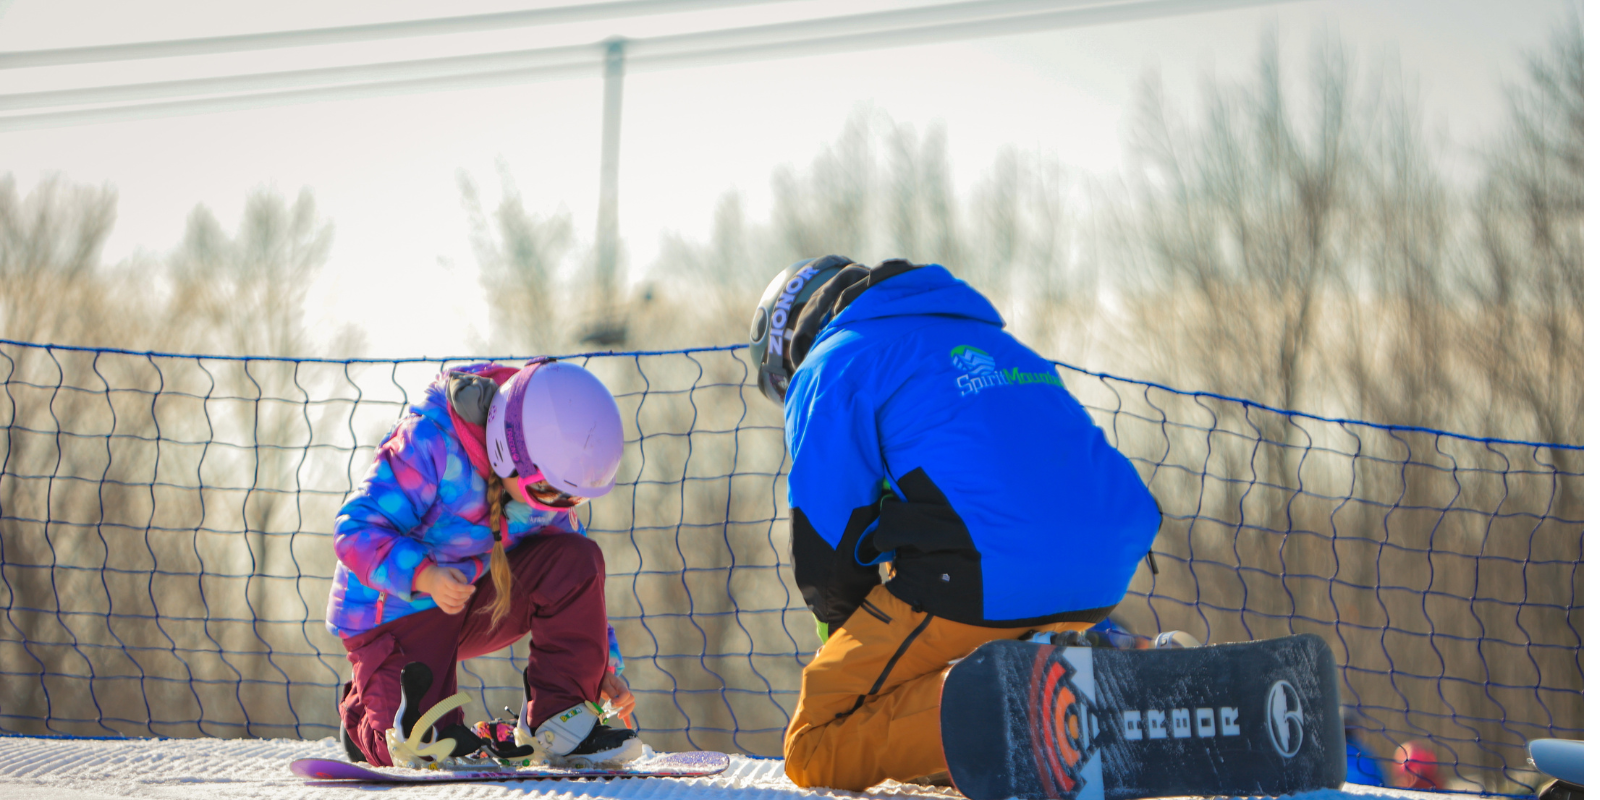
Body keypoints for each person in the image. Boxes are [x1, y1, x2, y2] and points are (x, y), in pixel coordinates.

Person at [747, 256, 1163, 790]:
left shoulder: (834, 362)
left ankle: (1024, 697)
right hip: (1101, 574)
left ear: (787, 350)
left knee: (815, 743)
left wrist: (845, 645)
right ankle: (1130, 667)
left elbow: (829, 545)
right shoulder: (998, 345)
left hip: (982, 576)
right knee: (939, 685)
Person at [326, 358, 643, 768]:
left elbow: (580, 593)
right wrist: (424, 575)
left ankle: (561, 720)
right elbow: (355, 530)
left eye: (572, 497)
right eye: (548, 490)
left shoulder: (545, 498)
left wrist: (602, 669)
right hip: (395, 610)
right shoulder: (432, 444)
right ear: (508, 450)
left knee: (577, 559)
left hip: (471, 598)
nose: (556, 506)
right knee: (421, 744)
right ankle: (361, 716)